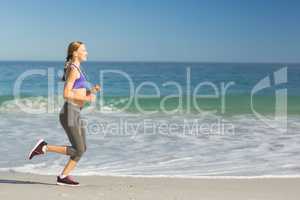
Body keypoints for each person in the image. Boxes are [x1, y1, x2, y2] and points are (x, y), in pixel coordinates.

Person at [28, 41, 100, 186]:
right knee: (78, 149)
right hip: (70, 113)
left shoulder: (78, 69)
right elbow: (66, 94)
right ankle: (44, 147)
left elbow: (76, 90)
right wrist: (86, 97)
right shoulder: (73, 69)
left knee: (82, 148)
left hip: (76, 112)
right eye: (84, 50)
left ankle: (63, 176)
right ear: (75, 53)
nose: (86, 52)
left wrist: (91, 91)